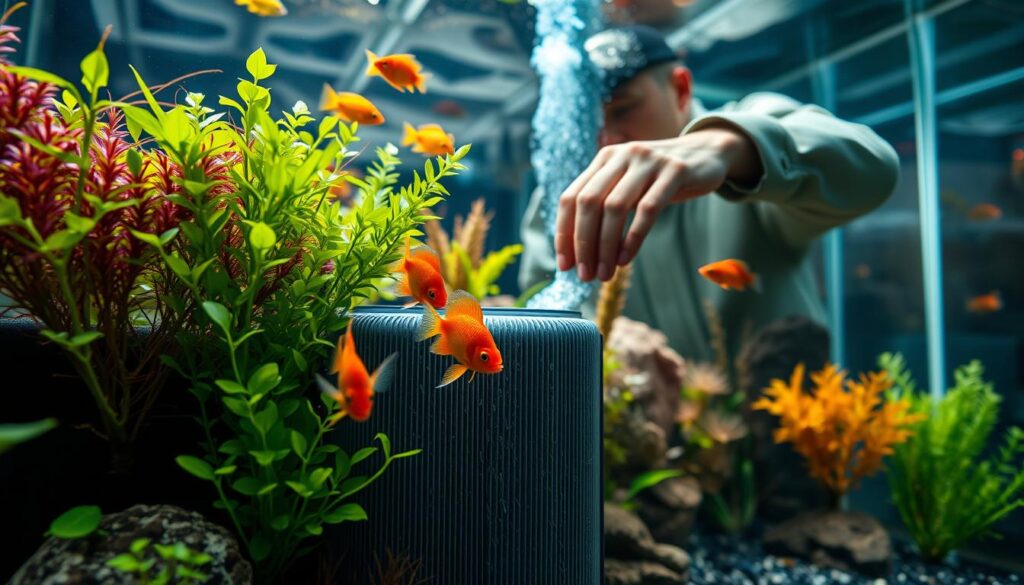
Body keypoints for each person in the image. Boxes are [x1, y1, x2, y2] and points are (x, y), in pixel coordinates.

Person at [519, 25, 900, 361]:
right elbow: (540, 313)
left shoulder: (750, 127)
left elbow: (875, 168)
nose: (607, 137)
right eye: (591, 122)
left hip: (790, 433)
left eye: (623, 110)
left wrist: (732, 148)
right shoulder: (565, 198)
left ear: (681, 89)